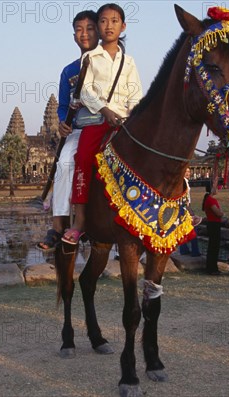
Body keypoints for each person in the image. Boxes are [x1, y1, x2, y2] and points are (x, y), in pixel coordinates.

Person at [62, 3, 143, 244]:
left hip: (124, 121)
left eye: (115, 21)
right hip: (97, 120)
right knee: (83, 159)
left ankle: (162, 211)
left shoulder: (128, 62)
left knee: (153, 152)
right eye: (104, 21)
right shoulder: (90, 57)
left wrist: (129, 117)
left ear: (123, 26)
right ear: (99, 26)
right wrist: (106, 111)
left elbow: (136, 94)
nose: (109, 26)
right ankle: (79, 222)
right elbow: (85, 92)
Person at [37, 11, 100, 250]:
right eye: (79, 29)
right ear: (74, 36)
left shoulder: (112, 63)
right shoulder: (69, 71)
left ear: (99, 31)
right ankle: (58, 225)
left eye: (90, 28)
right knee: (63, 164)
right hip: (80, 128)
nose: (85, 33)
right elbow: (63, 106)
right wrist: (63, 122)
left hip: (108, 125)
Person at [202, 183, 224, 275]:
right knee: (214, 247)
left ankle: (211, 267)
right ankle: (212, 268)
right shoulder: (211, 200)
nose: (217, 189)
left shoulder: (208, 199)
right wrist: (222, 213)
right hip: (214, 224)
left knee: (212, 246)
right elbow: (218, 213)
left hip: (211, 224)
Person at [179, 168, 201, 256]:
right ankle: (194, 251)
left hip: (184, 207)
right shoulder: (183, 182)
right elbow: (185, 198)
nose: (188, 173)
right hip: (185, 207)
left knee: (183, 229)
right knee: (192, 228)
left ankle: (184, 249)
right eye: (186, 171)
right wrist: (190, 210)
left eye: (189, 171)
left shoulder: (185, 181)